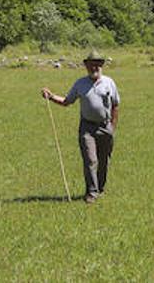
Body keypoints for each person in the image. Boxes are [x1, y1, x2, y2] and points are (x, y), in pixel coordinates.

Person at [42, 50, 120, 203]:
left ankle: (100, 189)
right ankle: (91, 193)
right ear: (86, 66)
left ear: (101, 65)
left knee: (104, 161)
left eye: (97, 64)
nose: (94, 68)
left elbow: (115, 105)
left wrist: (112, 126)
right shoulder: (80, 84)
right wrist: (51, 97)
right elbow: (66, 101)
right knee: (90, 160)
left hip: (105, 127)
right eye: (91, 65)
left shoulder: (109, 83)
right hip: (87, 128)